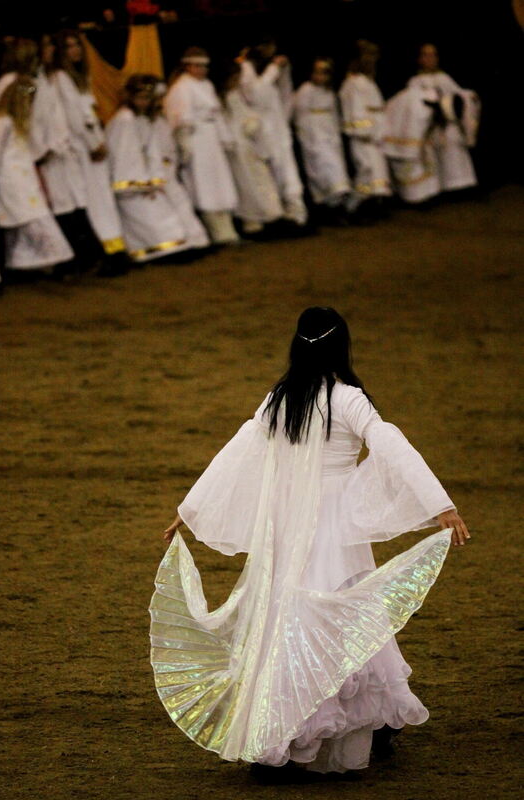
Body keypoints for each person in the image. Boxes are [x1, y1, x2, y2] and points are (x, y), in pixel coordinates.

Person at [151, 306, 470, 774]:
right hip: (336, 527)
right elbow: (390, 446)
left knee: (288, 616)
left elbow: (237, 453)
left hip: (286, 527)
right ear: (341, 347)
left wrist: (190, 507)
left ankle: (288, 727)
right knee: (346, 612)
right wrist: (438, 503)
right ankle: (360, 722)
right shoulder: (348, 399)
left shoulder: (280, 398)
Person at [31, 33, 107, 277]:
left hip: (64, 151)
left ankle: (86, 255)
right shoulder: (44, 79)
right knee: (66, 204)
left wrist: (92, 141)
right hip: (55, 151)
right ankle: (78, 256)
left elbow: (74, 115)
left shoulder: (56, 78)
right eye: (48, 45)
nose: (52, 50)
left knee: (72, 203)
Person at [54, 30, 128, 276]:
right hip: (81, 150)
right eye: (69, 46)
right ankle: (108, 252)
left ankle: (115, 250)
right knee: (96, 202)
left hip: (92, 145)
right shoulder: (61, 78)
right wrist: (92, 143)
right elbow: (76, 119)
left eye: (77, 45)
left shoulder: (80, 78)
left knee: (102, 200)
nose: (75, 50)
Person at [106, 74, 197, 263]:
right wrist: (139, 184)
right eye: (140, 98)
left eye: (148, 98)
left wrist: (155, 179)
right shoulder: (125, 119)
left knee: (163, 215)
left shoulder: (143, 119)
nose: (144, 102)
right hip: (132, 185)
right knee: (148, 217)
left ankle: (169, 250)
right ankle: (154, 253)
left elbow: (152, 151)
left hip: (146, 181)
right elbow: (125, 155)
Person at [0, 77, 74, 276]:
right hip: (12, 183)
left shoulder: (16, 122)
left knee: (28, 225)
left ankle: (26, 265)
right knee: (32, 222)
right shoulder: (2, 122)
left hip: (25, 181)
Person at [163, 47, 240, 246]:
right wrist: (185, 145)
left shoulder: (206, 85)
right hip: (197, 141)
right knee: (204, 184)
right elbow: (180, 119)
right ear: (187, 66)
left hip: (212, 138)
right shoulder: (181, 87)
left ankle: (228, 227)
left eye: (204, 66)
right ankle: (217, 231)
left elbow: (217, 113)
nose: (201, 70)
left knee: (220, 180)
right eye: (197, 66)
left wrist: (225, 137)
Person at [239, 37, 308, 228]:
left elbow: (285, 95)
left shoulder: (272, 68)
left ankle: (297, 215)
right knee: (269, 175)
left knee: (288, 173)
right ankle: (275, 217)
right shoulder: (246, 68)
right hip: (261, 133)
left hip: (278, 130)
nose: (270, 50)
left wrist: (283, 70)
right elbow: (256, 95)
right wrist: (274, 69)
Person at [218, 61, 283, 236]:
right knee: (245, 183)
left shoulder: (233, 95)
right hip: (234, 146)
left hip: (244, 144)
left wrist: (252, 122)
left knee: (257, 179)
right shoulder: (222, 98)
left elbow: (244, 115)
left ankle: (264, 217)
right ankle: (251, 220)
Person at [407, 44, 479, 194]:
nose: (431, 58)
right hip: (430, 125)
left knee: (455, 153)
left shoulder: (444, 77)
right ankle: (440, 188)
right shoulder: (415, 81)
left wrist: (469, 95)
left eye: (433, 55)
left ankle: (461, 187)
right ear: (420, 59)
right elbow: (412, 103)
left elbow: (457, 93)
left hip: (448, 124)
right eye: (426, 55)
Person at [293, 58, 351, 223]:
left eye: (324, 72)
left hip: (329, 136)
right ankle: (329, 207)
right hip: (314, 137)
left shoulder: (330, 92)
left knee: (336, 168)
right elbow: (301, 116)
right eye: (317, 71)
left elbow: (334, 116)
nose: (320, 76)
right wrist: (307, 138)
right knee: (326, 169)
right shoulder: (306, 90)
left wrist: (335, 136)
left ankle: (336, 207)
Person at [339, 40, 392, 219]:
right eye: (367, 55)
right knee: (366, 169)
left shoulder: (369, 81)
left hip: (375, 137)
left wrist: (382, 130)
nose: (371, 60)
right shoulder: (353, 82)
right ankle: (352, 206)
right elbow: (355, 110)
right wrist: (366, 131)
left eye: (374, 55)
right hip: (363, 137)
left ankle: (370, 205)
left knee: (377, 171)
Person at [383, 84, 441, 205]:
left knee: (412, 169)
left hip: (396, 139)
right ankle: (415, 198)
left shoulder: (407, 96)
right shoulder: (422, 103)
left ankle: (414, 196)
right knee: (411, 169)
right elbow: (418, 123)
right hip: (408, 141)